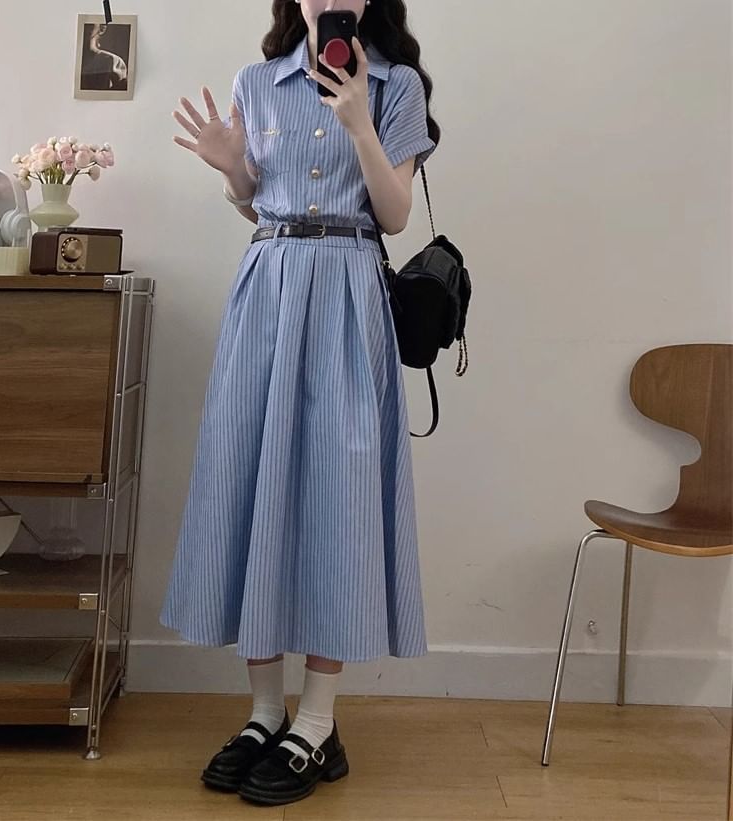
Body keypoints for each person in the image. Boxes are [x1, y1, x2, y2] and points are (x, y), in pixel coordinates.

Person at [159, 0, 439, 807]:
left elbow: (394, 215)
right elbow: (259, 199)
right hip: (268, 291)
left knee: (336, 497)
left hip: (348, 293)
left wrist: (359, 124)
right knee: (249, 481)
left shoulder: (396, 86)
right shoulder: (258, 81)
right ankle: (265, 713)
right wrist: (232, 170)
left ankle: (316, 720)